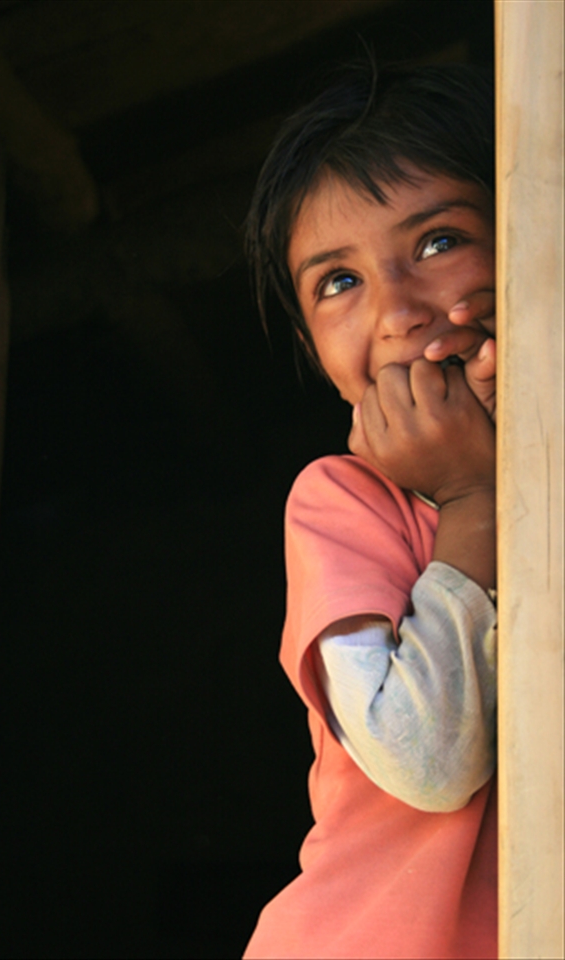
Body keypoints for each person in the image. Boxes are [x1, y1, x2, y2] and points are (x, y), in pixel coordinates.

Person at [243, 63, 498, 960]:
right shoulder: (342, 504)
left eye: (438, 243)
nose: (395, 309)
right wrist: (474, 498)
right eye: (338, 283)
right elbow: (429, 762)